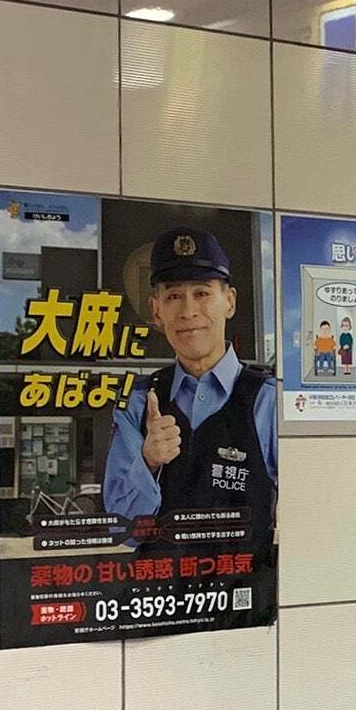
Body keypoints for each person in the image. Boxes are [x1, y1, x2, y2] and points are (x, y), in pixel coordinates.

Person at [102, 227, 276, 545]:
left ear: (229, 302)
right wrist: (148, 461)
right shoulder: (138, 402)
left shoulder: (268, 402)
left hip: (245, 576)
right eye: (173, 296)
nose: (188, 311)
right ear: (156, 310)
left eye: (202, 293)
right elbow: (122, 531)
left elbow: (311, 510)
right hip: (160, 578)